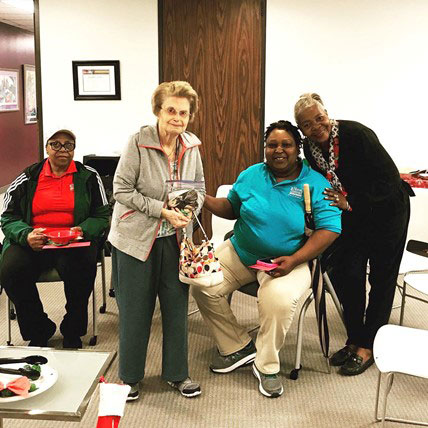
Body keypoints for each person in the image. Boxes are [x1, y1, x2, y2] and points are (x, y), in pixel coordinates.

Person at [190, 120, 341, 398]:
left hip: (291, 260)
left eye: (286, 145)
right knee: (201, 282)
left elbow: (329, 229)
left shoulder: (316, 184)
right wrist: (203, 199)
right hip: (241, 252)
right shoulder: (251, 175)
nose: (278, 150)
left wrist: (295, 259)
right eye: (272, 145)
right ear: (265, 148)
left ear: (298, 149)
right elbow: (231, 207)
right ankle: (238, 346)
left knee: (278, 301)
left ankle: (266, 365)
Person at [294, 93, 411, 376]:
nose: (316, 126)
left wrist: (352, 201)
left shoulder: (357, 134)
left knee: (382, 278)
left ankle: (368, 345)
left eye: (319, 118)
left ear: (327, 114)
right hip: (354, 216)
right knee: (349, 272)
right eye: (307, 124)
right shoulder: (310, 149)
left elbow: (389, 179)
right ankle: (354, 337)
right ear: (302, 130)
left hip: (387, 211)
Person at [108, 81, 205, 401]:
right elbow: (121, 191)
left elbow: (200, 189)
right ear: (158, 111)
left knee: (177, 308)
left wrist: (190, 210)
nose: (178, 118)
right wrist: (161, 211)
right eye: (171, 110)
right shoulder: (138, 142)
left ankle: (178, 374)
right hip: (136, 238)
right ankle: (130, 377)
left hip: (176, 240)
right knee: (136, 310)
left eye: (184, 113)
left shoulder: (191, 145)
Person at [0, 129, 110, 349]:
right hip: (35, 240)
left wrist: (81, 230)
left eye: (68, 145)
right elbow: (7, 216)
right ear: (46, 148)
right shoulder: (29, 176)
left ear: (74, 149)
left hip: (73, 241)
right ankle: (39, 328)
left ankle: (73, 330)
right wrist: (26, 234)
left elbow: (103, 215)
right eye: (56, 144)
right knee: (11, 270)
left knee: (81, 268)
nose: (62, 149)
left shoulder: (88, 176)